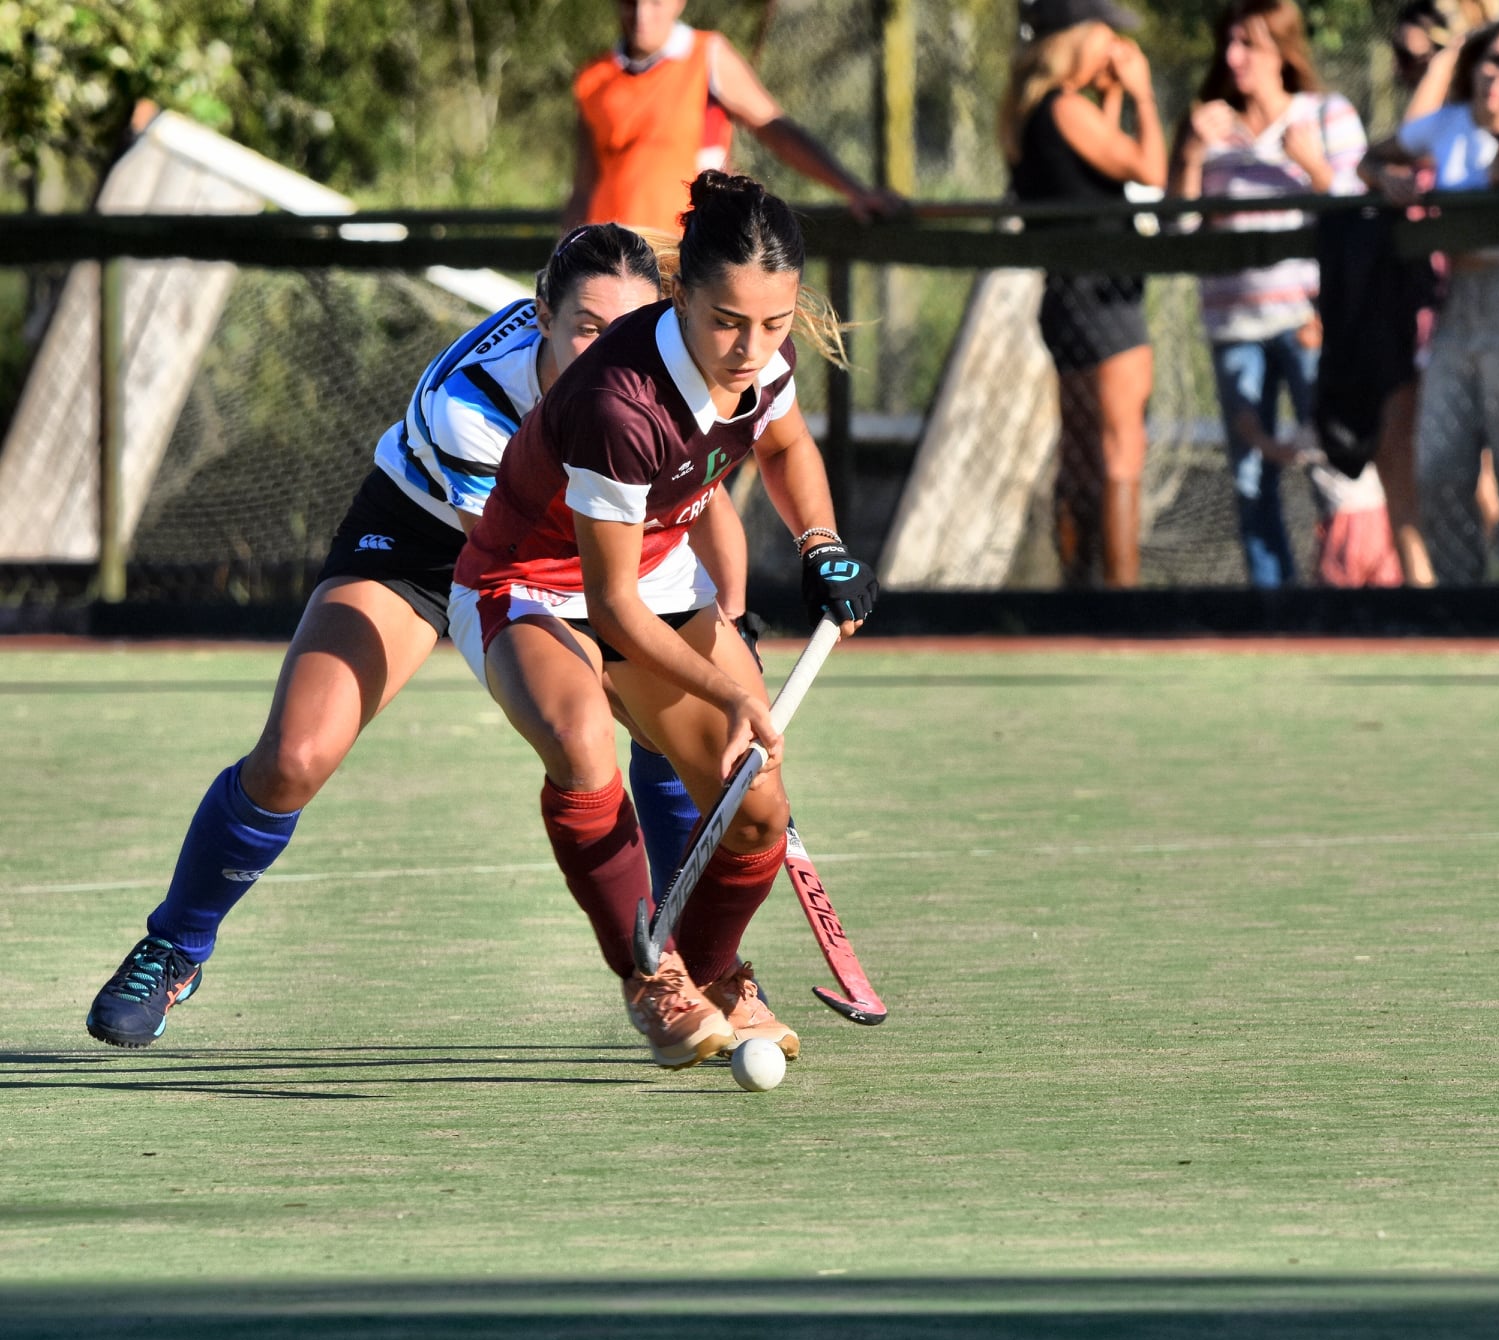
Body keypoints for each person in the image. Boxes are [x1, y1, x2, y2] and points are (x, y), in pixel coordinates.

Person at [83, 226, 676, 1049]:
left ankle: (688, 957)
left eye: (627, 330)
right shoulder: (471, 401)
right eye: (586, 327)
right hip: (432, 540)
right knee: (294, 755)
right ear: (542, 313)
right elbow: (516, 565)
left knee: (669, 726)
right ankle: (176, 944)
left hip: (595, 545)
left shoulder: (671, 370)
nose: (606, 352)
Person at [455, 171, 877, 1071]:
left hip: (654, 575)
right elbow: (607, 610)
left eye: (773, 323)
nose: (748, 347)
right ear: (681, 292)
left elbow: (787, 444)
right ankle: (651, 978)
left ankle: (717, 971)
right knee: (581, 741)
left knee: (758, 811)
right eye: (727, 321)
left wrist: (820, 542)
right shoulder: (621, 405)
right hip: (526, 582)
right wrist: (731, 692)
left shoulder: (763, 361)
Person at [1360, 17, 1499, 584]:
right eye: (1491, 59)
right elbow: (1371, 157)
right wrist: (1390, 181)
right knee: (1438, 465)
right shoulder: (1447, 126)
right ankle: (1460, 603)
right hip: (1458, 304)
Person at [1169, 0, 1367, 588]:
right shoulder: (1209, 126)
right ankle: (1272, 612)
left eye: (1248, 44)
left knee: (1331, 466)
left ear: (1282, 50)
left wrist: (1313, 167)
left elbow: (1361, 211)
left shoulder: (1326, 115)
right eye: (1228, 44)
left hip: (1310, 323)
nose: (1233, 58)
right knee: (1251, 477)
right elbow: (1176, 227)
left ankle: (1344, 598)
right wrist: (1190, 152)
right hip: (1235, 329)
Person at [1000, 0, 1166, 588]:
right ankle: (1120, 603)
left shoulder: (1032, 113)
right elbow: (1149, 167)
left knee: (1081, 454)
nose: (1117, 50)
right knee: (1122, 453)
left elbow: (1097, 173)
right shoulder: (1065, 109)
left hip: (1069, 299)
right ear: (1075, 40)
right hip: (1104, 301)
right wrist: (1142, 94)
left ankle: (1079, 589)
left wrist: (1111, 96)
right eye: (1106, 37)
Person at [565, 0, 901, 235]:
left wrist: (852, 189)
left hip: (685, 255)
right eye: (629, 2)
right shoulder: (593, 78)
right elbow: (584, 186)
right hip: (614, 262)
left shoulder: (706, 55)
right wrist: (564, 259)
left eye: (654, 2)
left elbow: (775, 128)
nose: (641, 14)